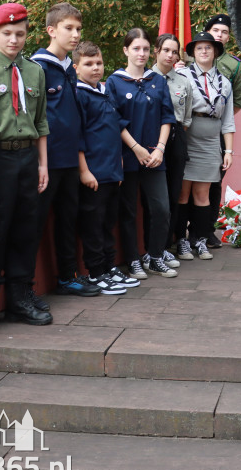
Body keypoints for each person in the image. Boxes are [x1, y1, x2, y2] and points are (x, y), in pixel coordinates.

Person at [0, 2, 52, 338]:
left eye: (19, 34)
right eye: (7, 34)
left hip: (27, 159)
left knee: (25, 230)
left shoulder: (34, 71)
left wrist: (43, 163)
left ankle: (19, 299)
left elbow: (41, 121)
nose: (14, 40)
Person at [32, 2, 100, 298]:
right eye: (68, 29)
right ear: (51, 31)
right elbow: (36, 119)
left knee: (68, 220)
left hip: (69, 161)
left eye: (78, 29)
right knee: (33, 225)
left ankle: (68, 276)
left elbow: (75, 119)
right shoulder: (38, 67)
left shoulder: (68, 69)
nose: (75, 35)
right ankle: (25, 288)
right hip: (46, 163)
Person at [105, 28, 178, 278]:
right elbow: (115, 120)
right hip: (127, 156)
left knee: (161, 209)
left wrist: (160, 148)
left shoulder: (157, 80)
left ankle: (154, 255)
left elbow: (167, 117)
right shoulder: (114, 81)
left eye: (146, 49)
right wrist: (135, 148)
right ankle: (133, 259)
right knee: (129, 211)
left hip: (155, 156)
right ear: (126, 50)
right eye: (136, 48)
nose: (141, 53)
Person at [73, 41, 139, 295]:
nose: (95, 68)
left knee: (107, 222)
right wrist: (84, 171)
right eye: (88, 64)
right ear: (77, 68)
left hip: (112, 171)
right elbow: (78, 135)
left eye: (98, 63)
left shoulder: (104, 91)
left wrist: (119, 163)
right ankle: (96, 272)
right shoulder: (79, 94)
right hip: (93, 174)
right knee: (93, 225)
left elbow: (113, 130)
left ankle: (109, 267)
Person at [180, 31, 236, 259]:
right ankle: (181, 240)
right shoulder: (182, 75)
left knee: (203, 194)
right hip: (187, 139)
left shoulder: (225, 82)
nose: (204, 51)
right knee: (182, 194)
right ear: (193, 53)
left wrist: (229, 151)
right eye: (199, 48)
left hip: (212, 142)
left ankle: (199, 239)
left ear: (216, 52)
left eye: (208, 48)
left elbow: (228, 120)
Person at [149, 33, 194, 262]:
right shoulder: (146, 78)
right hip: (150, 137)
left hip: (176, 137)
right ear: (156, 50)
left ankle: (167, 245)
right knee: (156, 196)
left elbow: (186, 119)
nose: (170, 55)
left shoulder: (183, 81)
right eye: (166, 50)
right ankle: (151, 247)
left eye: (174, 51)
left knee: (174, 192)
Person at [204, 13, 241, 249]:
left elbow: (238, 101)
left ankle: (207, 230)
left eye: (224, 32)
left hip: (218, 130)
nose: (219, 35)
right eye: (215, 30)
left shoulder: (234, 65)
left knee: (214, 181)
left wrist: (218, 118)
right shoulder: (189, 58)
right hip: (188, 130)